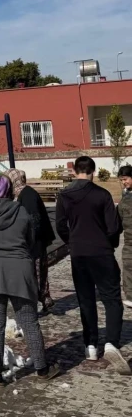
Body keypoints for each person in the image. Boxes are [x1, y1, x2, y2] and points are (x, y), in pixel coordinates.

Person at [0, 171, 60, 386]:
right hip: (20, 271)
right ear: (8, 189)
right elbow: (30, 239)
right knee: (29, 321)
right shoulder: (21, 212)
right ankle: (42, 369)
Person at [56, 156, 130, 373]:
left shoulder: (65, 195)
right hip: (101, 251)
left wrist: (72, 241)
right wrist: (109, 243)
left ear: (74, 171)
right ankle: (111, 343)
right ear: (93, 172)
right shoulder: (102, 195)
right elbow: (113, 227)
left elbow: (60, 225)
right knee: (112, 298)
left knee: (86, 299)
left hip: (79, 253)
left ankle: (90, 345)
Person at [5, 168, 57, 313]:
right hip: (34, 241)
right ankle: (43, 299)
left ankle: (38, 302)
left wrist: (28, 241)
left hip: (35, 243)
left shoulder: (27, 195)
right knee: (37, 273)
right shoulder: (22, 193)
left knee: (36, 273)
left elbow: (34, 220)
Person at [116, 165, 132, 309]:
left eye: (125, 179)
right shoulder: (125, 196)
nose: (123, 182)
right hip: (129, 240)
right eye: (121, 180)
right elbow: (119, 218)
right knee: (128, 266)